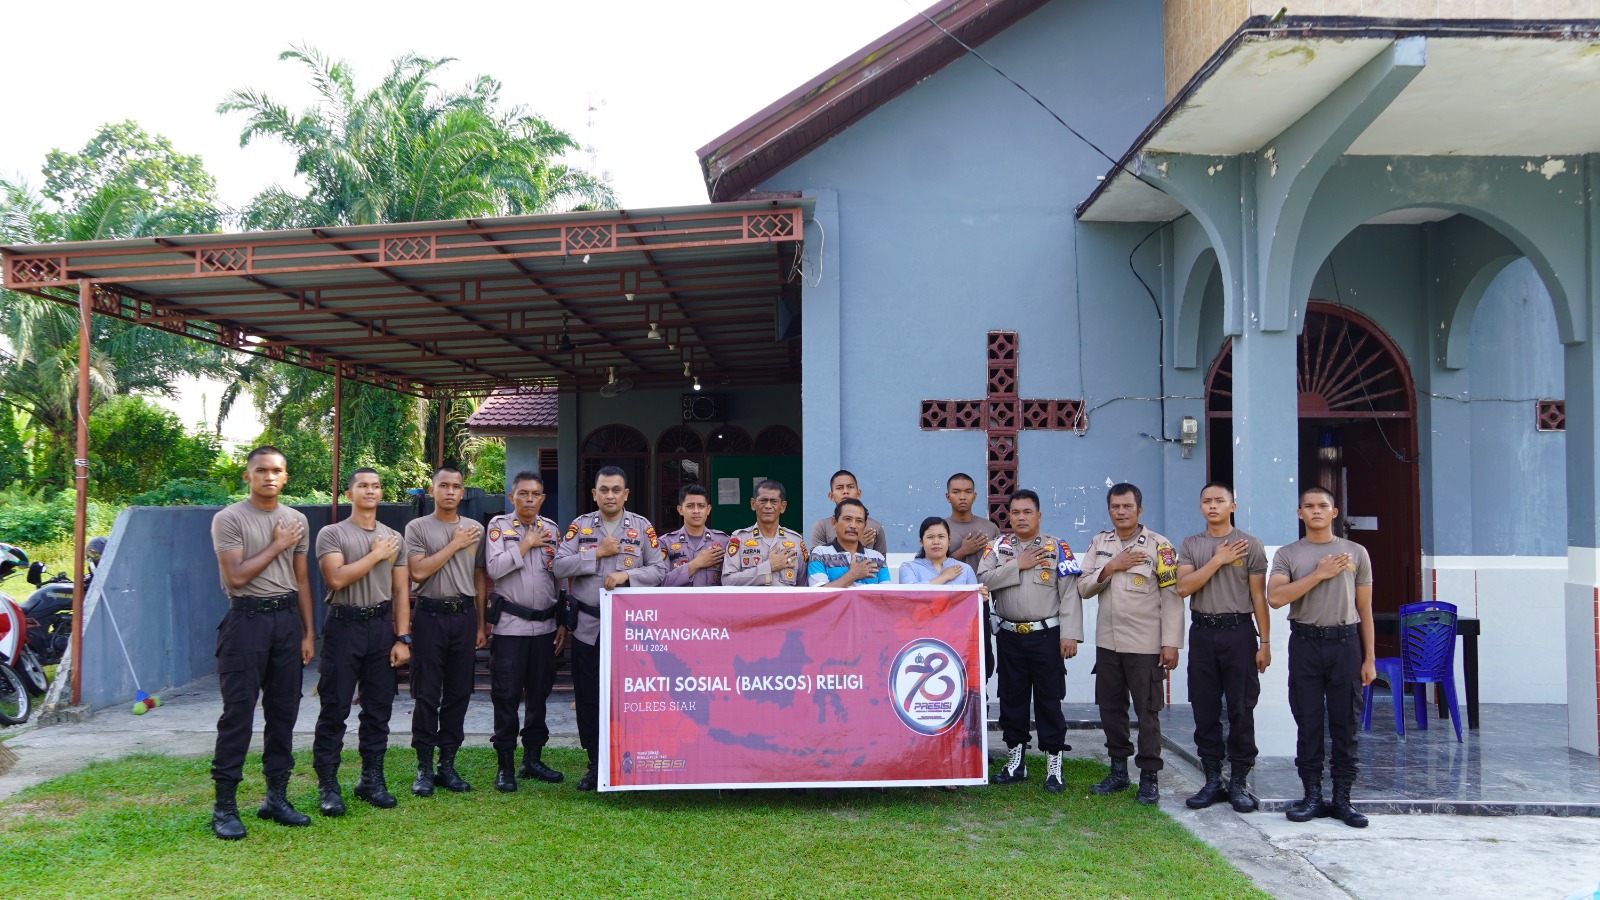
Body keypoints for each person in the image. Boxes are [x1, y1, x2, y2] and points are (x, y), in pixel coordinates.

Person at [207, 445, 315, 840]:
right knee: (238, 715)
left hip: (286, 621)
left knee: (283, 712)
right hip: (246, 621)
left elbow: (302, 580)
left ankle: (276, 799)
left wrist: (307, 632)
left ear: (286, 477)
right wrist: (277, 545)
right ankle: (224, 808)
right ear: (247, 476)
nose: (269, 477)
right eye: (261, 470)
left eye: (277, 471)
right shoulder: (229, 519)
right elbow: (235, 577)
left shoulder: (296, 519)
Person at [1267, 485, 1375, 829]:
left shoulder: (1356, 552)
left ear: (1334, 512)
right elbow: (1276, 598)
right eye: (1308, 506)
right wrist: (1319, 574)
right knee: (1309, 720)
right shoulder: (1288, 554)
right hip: (1306, 643)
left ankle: (1342, 798)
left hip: (1345, 644)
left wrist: (1369, 658)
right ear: (1300, 513)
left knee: (1346, 723)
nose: (1315, 510)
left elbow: (1365, 609)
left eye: (1322, 505)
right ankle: (1312, 795)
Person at [554, 466, 667, 791]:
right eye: (604, 489)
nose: (610, 495)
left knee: (630, 696)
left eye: (616, 489)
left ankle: (630, 759)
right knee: (589, 696)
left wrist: (627, 576)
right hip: (588, 626)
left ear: (626, 494)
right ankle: (595, 763)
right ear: (594, 493)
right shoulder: (581, 526)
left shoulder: (641, 528)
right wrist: (594, 554)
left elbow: (660, 569)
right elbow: (558, 565)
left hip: (628, 630)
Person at [311, 468, 410, 817]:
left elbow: (401, 591)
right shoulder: (332, 533)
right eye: (362, 486)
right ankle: (328, 785)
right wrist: (375, 555)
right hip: (344, 627)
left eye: (376, 486)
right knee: (334, 709)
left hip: (381, 628)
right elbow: (336, 578)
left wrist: (402, 637)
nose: (370, 491)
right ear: (349, 493)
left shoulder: (394, 538)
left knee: (378, 709)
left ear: (382, 493)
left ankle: (371, 780)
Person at [1078, 482, 1183, 805]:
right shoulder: (1101, 542)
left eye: (1126, 506)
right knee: (1111, 710)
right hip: (1108, 644)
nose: (1120, 512)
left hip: (1145, 645)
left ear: (1140, 509)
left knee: (1147, 713)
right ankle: (1118, 772)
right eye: (1115, 507)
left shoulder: (1159, 546)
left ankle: (1149, 777)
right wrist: (1111, 567)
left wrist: (1171, 643)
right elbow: (1083, 587)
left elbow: (1172, 596)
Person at [976, 489, 1083, 794]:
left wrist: (1070, 634)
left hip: (1047, 635)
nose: (1021, 517)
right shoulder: (997, 547)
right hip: (1009, 635)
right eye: (1015, 512)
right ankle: (1015, 762)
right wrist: (1017, 565)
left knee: (1049, 700)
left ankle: (1054, 764)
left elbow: (1070, 593)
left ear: (1038, 515)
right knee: (1012, 698)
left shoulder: (1057, 547)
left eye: (1027, 512)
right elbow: (981, 581)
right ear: (1008, 516)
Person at [1174, 482, 1269, 813]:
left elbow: (1258, 597)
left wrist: (1265, 642)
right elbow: (1183, 588)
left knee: (1242, 707)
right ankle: (1212, 779)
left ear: (1233, 505)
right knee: (1205, 707)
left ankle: (1239, 781)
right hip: (1202, 632)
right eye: (1206, 501)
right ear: (1201, 507)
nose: (1212, 506)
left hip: (1239, 633)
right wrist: (1218, 560)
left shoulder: (1251, 545)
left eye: (1219, 501)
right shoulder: (1190, 545)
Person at [404, 466, 486, 797]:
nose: (450, 491)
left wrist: (481, 623)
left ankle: (447, 765)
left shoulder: (476, 529)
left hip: (463, 617)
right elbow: (418, 572)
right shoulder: (417, 527)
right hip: (429, 617)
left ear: (463, 492)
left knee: (458, 693)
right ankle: (424, 767)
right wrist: (453, 545)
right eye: (444, 486)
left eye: (456, 486)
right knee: (426, 694)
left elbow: (479, 576)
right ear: (432, 489)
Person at [482, 472, 566, 792]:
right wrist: (526, 544)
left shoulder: (554, 531)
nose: (529, 499)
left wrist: (561, 621)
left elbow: (560, 578)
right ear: (511, 497)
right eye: (523, 494)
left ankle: (532, 759)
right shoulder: (499, 527)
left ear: (542, 498)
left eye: (535, 494)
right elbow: (494, 569)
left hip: (545, 628)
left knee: (539, 697)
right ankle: (505, 766)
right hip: (510, 629)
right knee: (506, 697)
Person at [945, 473, 1000, 679]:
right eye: (956, 492)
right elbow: (932, 567)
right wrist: (962, 551)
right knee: (952, 654)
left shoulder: (990, 528)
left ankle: (980, 704)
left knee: (982, 657)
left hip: (981, 602)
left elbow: (998, 567)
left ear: (975, 496)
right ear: (947, 496)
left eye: (968, 492)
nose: (962, 496)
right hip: (949, 604)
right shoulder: (941, 528)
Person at [722, 480, 807, 587]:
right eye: (763, 500)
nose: (768, 506)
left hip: (785, 604)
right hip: (752, 603)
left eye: (774, 501)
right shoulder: (739, 539)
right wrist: (768, 567)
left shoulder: (795, 541)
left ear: (783, 506)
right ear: (753, 504)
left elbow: (803, 587)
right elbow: (728, 582)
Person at [659, 484, 731, 588]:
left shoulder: (724, 541)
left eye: (701, 506)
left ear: (708, 509)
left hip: (713, 603)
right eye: (690, 506)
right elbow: (661, 583)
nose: (696, 511)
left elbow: (731, 581)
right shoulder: (665, 542)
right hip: (680, 603)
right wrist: (695, 564)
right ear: (680, 510)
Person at [807, 499, 891, 587]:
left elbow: (886, 596)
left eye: (859, 521)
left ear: (865, 526)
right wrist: (853, 574)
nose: (853, 526)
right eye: (847, 519)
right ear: (834, 523)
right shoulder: (820, 554)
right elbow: (819, 594)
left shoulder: (878, 558)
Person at [808, 470, 888, 555]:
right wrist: (856, 545)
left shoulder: (876, 527)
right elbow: (817, 560)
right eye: (839, 488)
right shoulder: (821, 526)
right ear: (831, 496)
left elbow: (881, 563)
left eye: (850, 487)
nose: (845, 491)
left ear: (859, 493)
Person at [897, 516, 978, 587]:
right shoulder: (909, 567)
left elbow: (972, 602)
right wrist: (944, 577)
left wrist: (980, 595)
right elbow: (909, 595)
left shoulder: (965, 570)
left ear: (949, 540)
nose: (936, 542)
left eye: (941, 536)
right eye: (930, 537)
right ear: (921, 542)